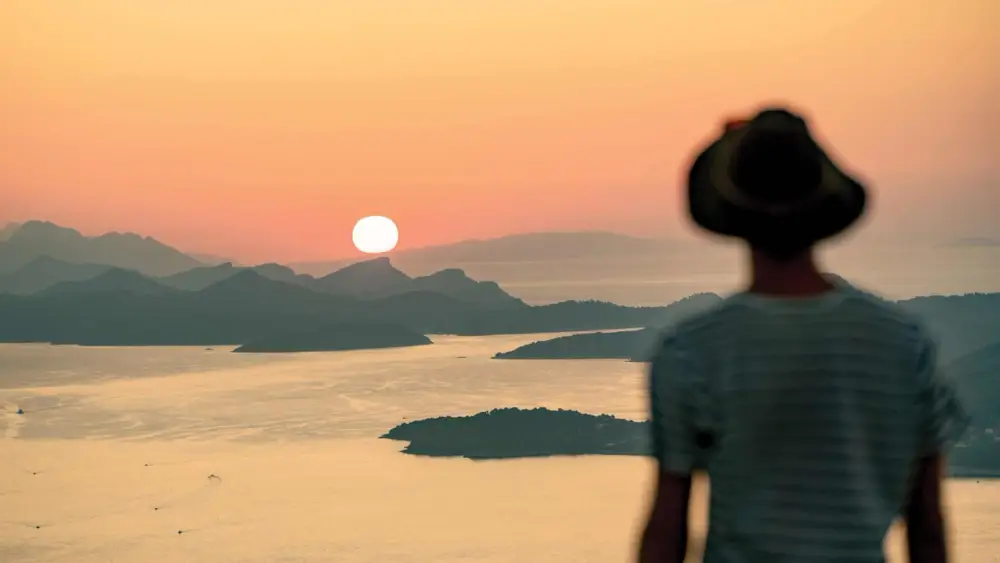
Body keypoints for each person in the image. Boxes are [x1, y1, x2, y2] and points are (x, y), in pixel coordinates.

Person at [637, 107, 970, 563]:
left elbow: (667, 530)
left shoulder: (693, 351)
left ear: (732, 212)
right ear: (824, 208)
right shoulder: (902, 343)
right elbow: (928, 528)